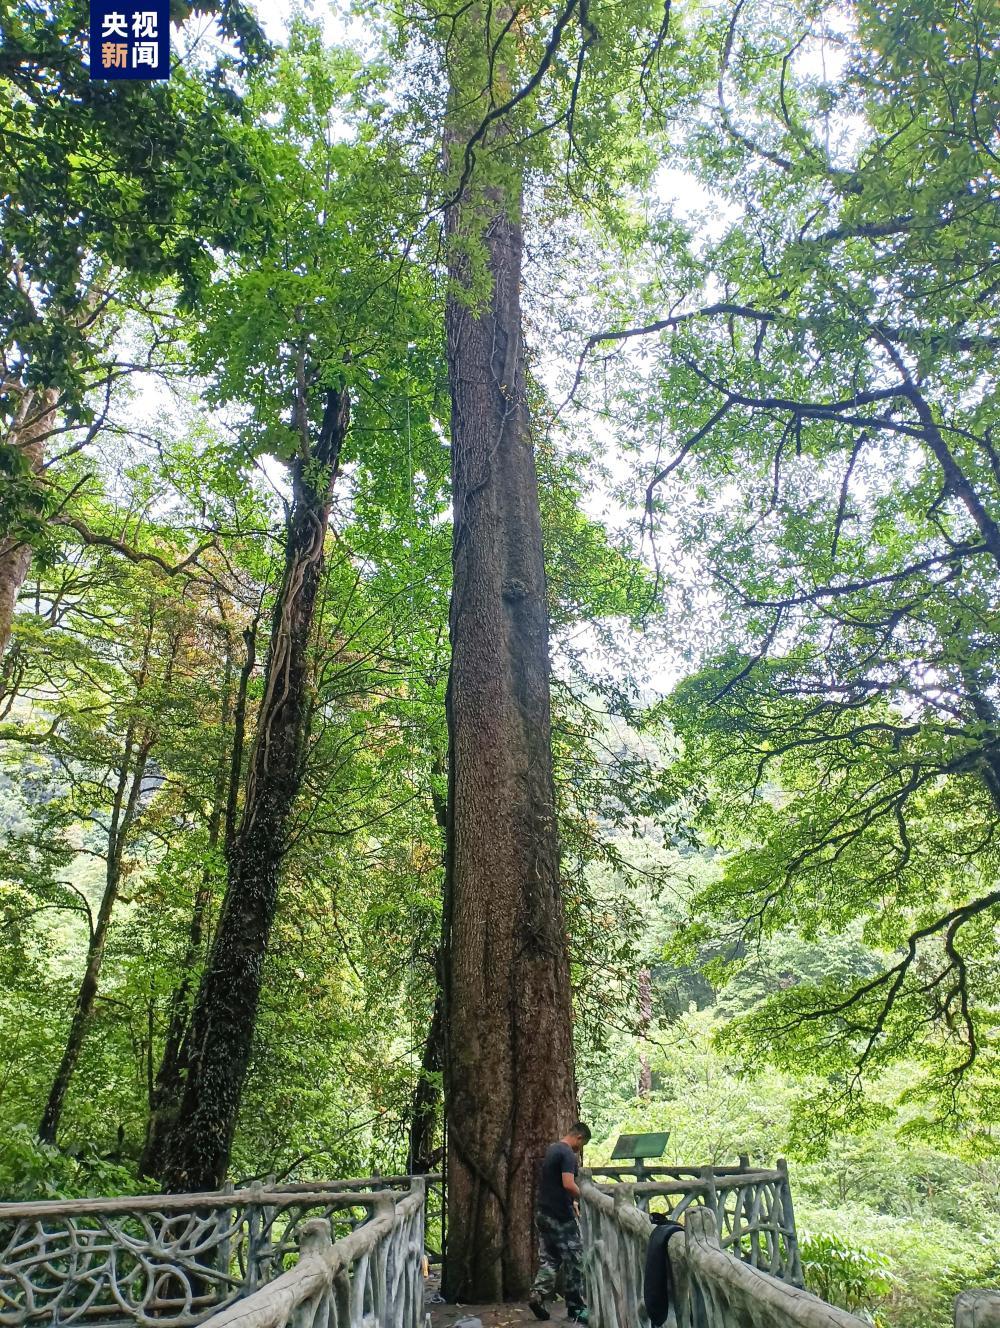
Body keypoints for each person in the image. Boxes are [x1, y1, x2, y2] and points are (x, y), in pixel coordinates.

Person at [528, 1121, 592, 1324]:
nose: (580, 1149)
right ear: (579, 1137)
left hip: (543, 1213)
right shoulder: (567, 1154)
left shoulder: (553, 1149)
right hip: (560, 1216)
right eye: (582, 1144)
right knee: (575, 1259)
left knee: (551, 1259)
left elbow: (554, 1183)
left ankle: (538, 1294)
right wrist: (586, 1197)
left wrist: (572, 1202)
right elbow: (568, 1184)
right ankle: (575, 1306)